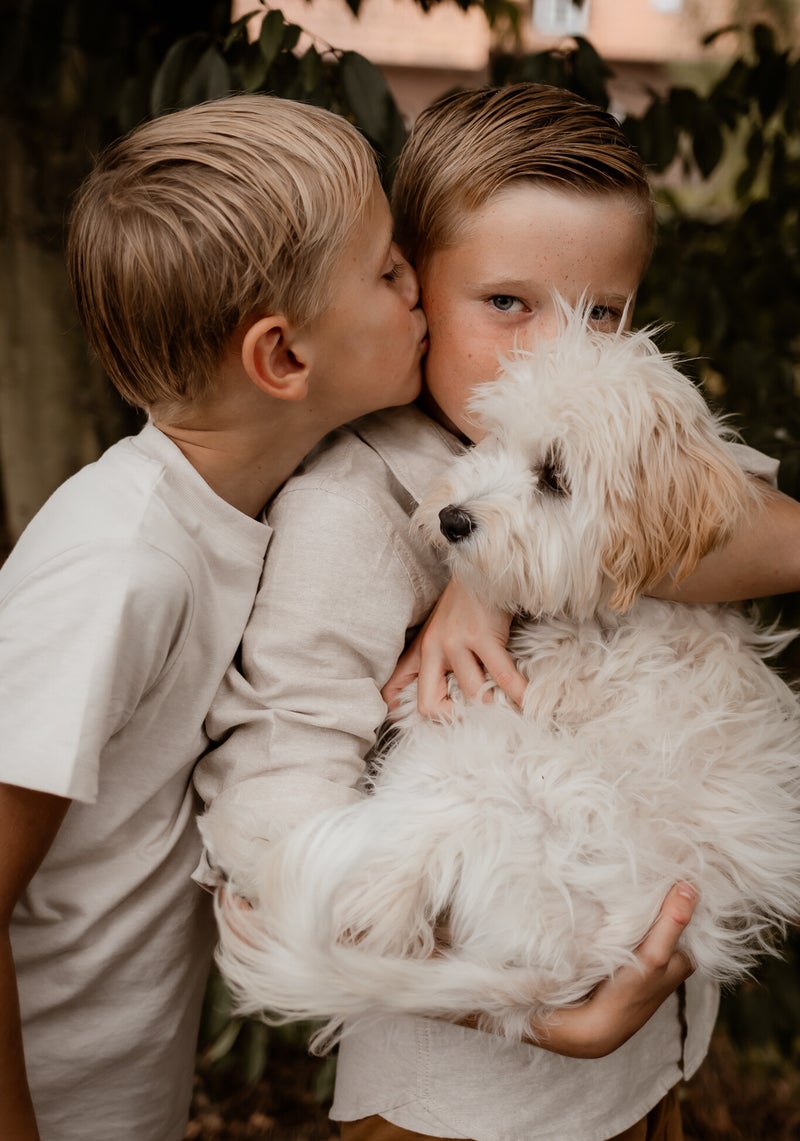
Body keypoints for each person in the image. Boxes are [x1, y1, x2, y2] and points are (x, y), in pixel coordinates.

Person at [197, 85, 800, 1141]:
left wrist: (483, 582)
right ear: (412, 287)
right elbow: (274, 827)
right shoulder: (353, 509)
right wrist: (532, 1015)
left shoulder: (621, 448)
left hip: (644, 1072)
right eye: (508, 303)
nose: (554, 350)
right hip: (463, 1104)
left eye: (600, 313)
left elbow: (750, 528)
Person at [0, 93, 428, 1141]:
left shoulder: (259, 509)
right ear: (282, 359)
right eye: (387, 270)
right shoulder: (121, 568)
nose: (420, 280)